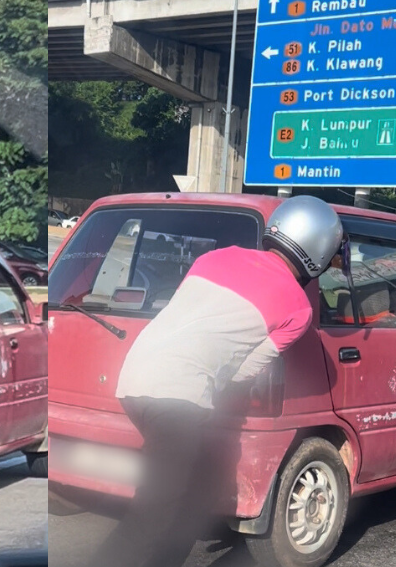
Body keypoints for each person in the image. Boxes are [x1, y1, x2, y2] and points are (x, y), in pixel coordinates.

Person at [87, 195, 345, 567]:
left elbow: (183, 315)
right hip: (179, 396)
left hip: (135, 376)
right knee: (153, 516)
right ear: (317, 251)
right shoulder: (298, 308)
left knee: (199, 488)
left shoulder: (214, 258)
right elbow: (246, 370)